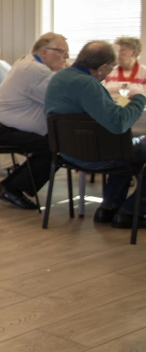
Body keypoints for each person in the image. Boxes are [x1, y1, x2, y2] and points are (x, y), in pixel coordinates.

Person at [45, 40, 146, 227]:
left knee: (126, 148)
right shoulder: (88, 84)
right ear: (102, 68)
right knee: (129, 148)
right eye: (110, 69)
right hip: (97, 156)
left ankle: (108, 209)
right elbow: (118, 123)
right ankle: (131, 212)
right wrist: (139, 98)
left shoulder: (60, 77)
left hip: (67, 153)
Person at [0, 33, 69, 209]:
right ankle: (12, 188)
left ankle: (11, 186)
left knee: (52, 144)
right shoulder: (36, 70)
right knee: (55, 147)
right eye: (62, 52)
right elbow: (61, 101)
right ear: (45, 52)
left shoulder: (29, 63)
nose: (66, 57)